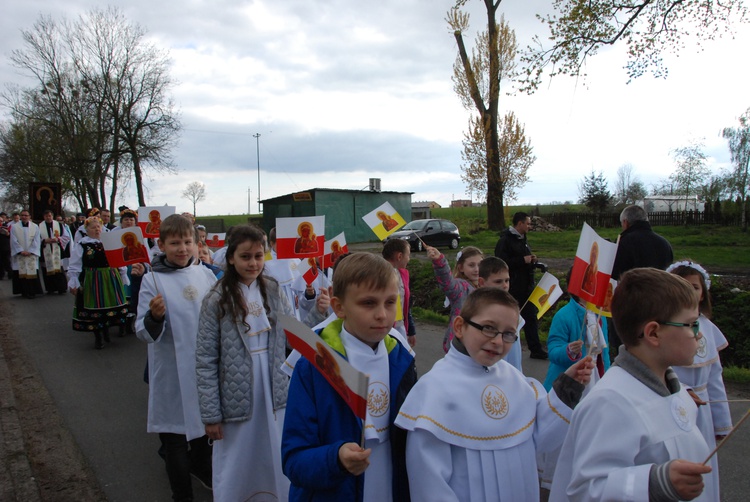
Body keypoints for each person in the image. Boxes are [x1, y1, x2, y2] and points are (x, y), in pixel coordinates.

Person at [395, 288, 593, 502]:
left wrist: (568, 387)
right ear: (460, 327)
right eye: (488, 328)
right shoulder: (434, 390)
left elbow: (539, 438)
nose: (498, 341)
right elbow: (429, 485)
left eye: (509, 333)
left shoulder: (515, 379)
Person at [549, 268, 713, 502]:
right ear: (653, 333)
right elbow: (587, 490)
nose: (698, 335)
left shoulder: (674, 388)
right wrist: (656, 482)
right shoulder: (610, 403)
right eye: (691, 324)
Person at [196, 225, 323, 501]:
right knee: (239, 457)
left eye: (258, 256)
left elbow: (296, 336)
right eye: (245, 257)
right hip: (236, 392)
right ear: (231, 258)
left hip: (274, 386)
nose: (253, 263)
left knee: (276, 448)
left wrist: (318, 314)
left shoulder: (274, 290)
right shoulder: (216, 299)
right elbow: (205, 360)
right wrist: (210, 415)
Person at [282, 252, 417, 501]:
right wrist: (336, 458)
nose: (382, 314)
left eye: (390, 302)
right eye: (368, 303)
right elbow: (294, 459)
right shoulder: (314, 365)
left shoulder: (402, 359)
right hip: (336, 491)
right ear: (339, 306)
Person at [135, 214, 216, 501]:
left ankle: (205, 473)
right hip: (171, 374)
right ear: (161, 245)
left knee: (207, 436)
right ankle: (181, 496)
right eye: (175, 243)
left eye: (187, 242)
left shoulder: (205, 274)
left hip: (204, 371)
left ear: (196, 243)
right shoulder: (152, 280)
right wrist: (154, 317)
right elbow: (142, 332)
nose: (182, 249)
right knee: (176, 442)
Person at [538, 268, 610, 490]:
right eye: (590, 285)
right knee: (565, 430)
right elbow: (553, 350)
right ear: (578, 288)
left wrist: (608, 375)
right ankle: (556, 478)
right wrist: (569, 350)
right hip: (569, 380)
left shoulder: (600, 316)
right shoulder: (564, 315)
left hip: (595, 379)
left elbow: (604, 352)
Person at [667, 260, 733, 502]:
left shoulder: (708, 328)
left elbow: (715, 377)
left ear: (703, 292)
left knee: (703, 461)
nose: (689, 291)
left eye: (694, 287)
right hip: (674, 404)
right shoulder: (667, 327)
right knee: (679, 460)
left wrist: (722, 422)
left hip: (703, 409)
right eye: (681, 285)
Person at [608, 205, 674, 360]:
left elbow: (614, 275)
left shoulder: (624, 243)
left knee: (628, 350)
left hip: (630, 307)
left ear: (625, 223)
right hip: (660, 306)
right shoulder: (664, 244)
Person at [67, 215, 129, 348]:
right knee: (95, 309)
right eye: (93, 227)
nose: (97, 229)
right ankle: (98, 336)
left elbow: (118, 258)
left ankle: (106, 331)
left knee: (110, 305)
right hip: (93, 278)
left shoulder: (109, 242)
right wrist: (74, 281)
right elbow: (75, 264)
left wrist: (123, 273)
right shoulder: (82, 244)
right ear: (86, 230)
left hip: (111, 276)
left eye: (98, 227)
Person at [495, 212, 548, 359]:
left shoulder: (522, 239)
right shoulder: (505, 240)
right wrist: (522, 260)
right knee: (512, 319)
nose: (529, 226)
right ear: (520, 224)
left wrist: (531, 260)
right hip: (514, 287)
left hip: (526, 287)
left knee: (531, 317)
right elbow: (501, 262)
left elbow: (522, 259)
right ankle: (506, 347)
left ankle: (535, 349)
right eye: (528, 223)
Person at [426, 244, 483, 353]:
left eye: (480, 265)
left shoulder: (484, 287)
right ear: (461, 267)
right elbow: (447, 282)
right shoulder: (461, 287)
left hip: (478, 341)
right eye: (471, 265)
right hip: (460, 343)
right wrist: (439, 261)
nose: (476, 269)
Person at [477, 256, 522, 372]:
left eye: (507, 280)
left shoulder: (511, 308)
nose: (505, 285)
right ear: (481, 282)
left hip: (512, 371)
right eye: (498, 281)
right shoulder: (478, 311)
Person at [382, 239, 416, 347]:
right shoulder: (378, 275)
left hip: (399, 326)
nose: (409, 259)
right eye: (408, 255)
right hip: (384, 329)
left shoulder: (402, 274)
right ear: (399, 256)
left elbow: (405, 304)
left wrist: (410, 330)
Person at [10, 209, 43, 299]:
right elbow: (13, 240)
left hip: (31, 254)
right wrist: (20, 250)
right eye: (22, 215)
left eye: (26, 215)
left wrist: (31, 251)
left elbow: (37, 240)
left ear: (29, 217)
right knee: (21, 272)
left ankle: (32, 291)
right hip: (20, 253)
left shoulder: (35, 227)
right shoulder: (14, 227)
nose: (24, 217)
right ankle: (23, 291)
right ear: (20, 216)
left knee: (31, 271)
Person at [39, 209, 70, 294]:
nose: (48, 217)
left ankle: (62, 288)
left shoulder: (59, 225)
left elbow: (66, 237)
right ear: (44, 217)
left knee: (58, 269)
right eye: (46, 216)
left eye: (50, 216)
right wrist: (44, 241)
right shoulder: (39, 226)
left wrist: (58, 239)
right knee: (47, 269)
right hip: (45, 249)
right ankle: (50, 288)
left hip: (56, 249)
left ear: (52, 216)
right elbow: (36, 239)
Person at [0, 212, 11, 280]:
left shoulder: (7, 226)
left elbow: (10, 235)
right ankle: (1, 275)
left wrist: (8, 234)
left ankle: (10, 273)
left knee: (6, 261)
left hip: (5, 246)